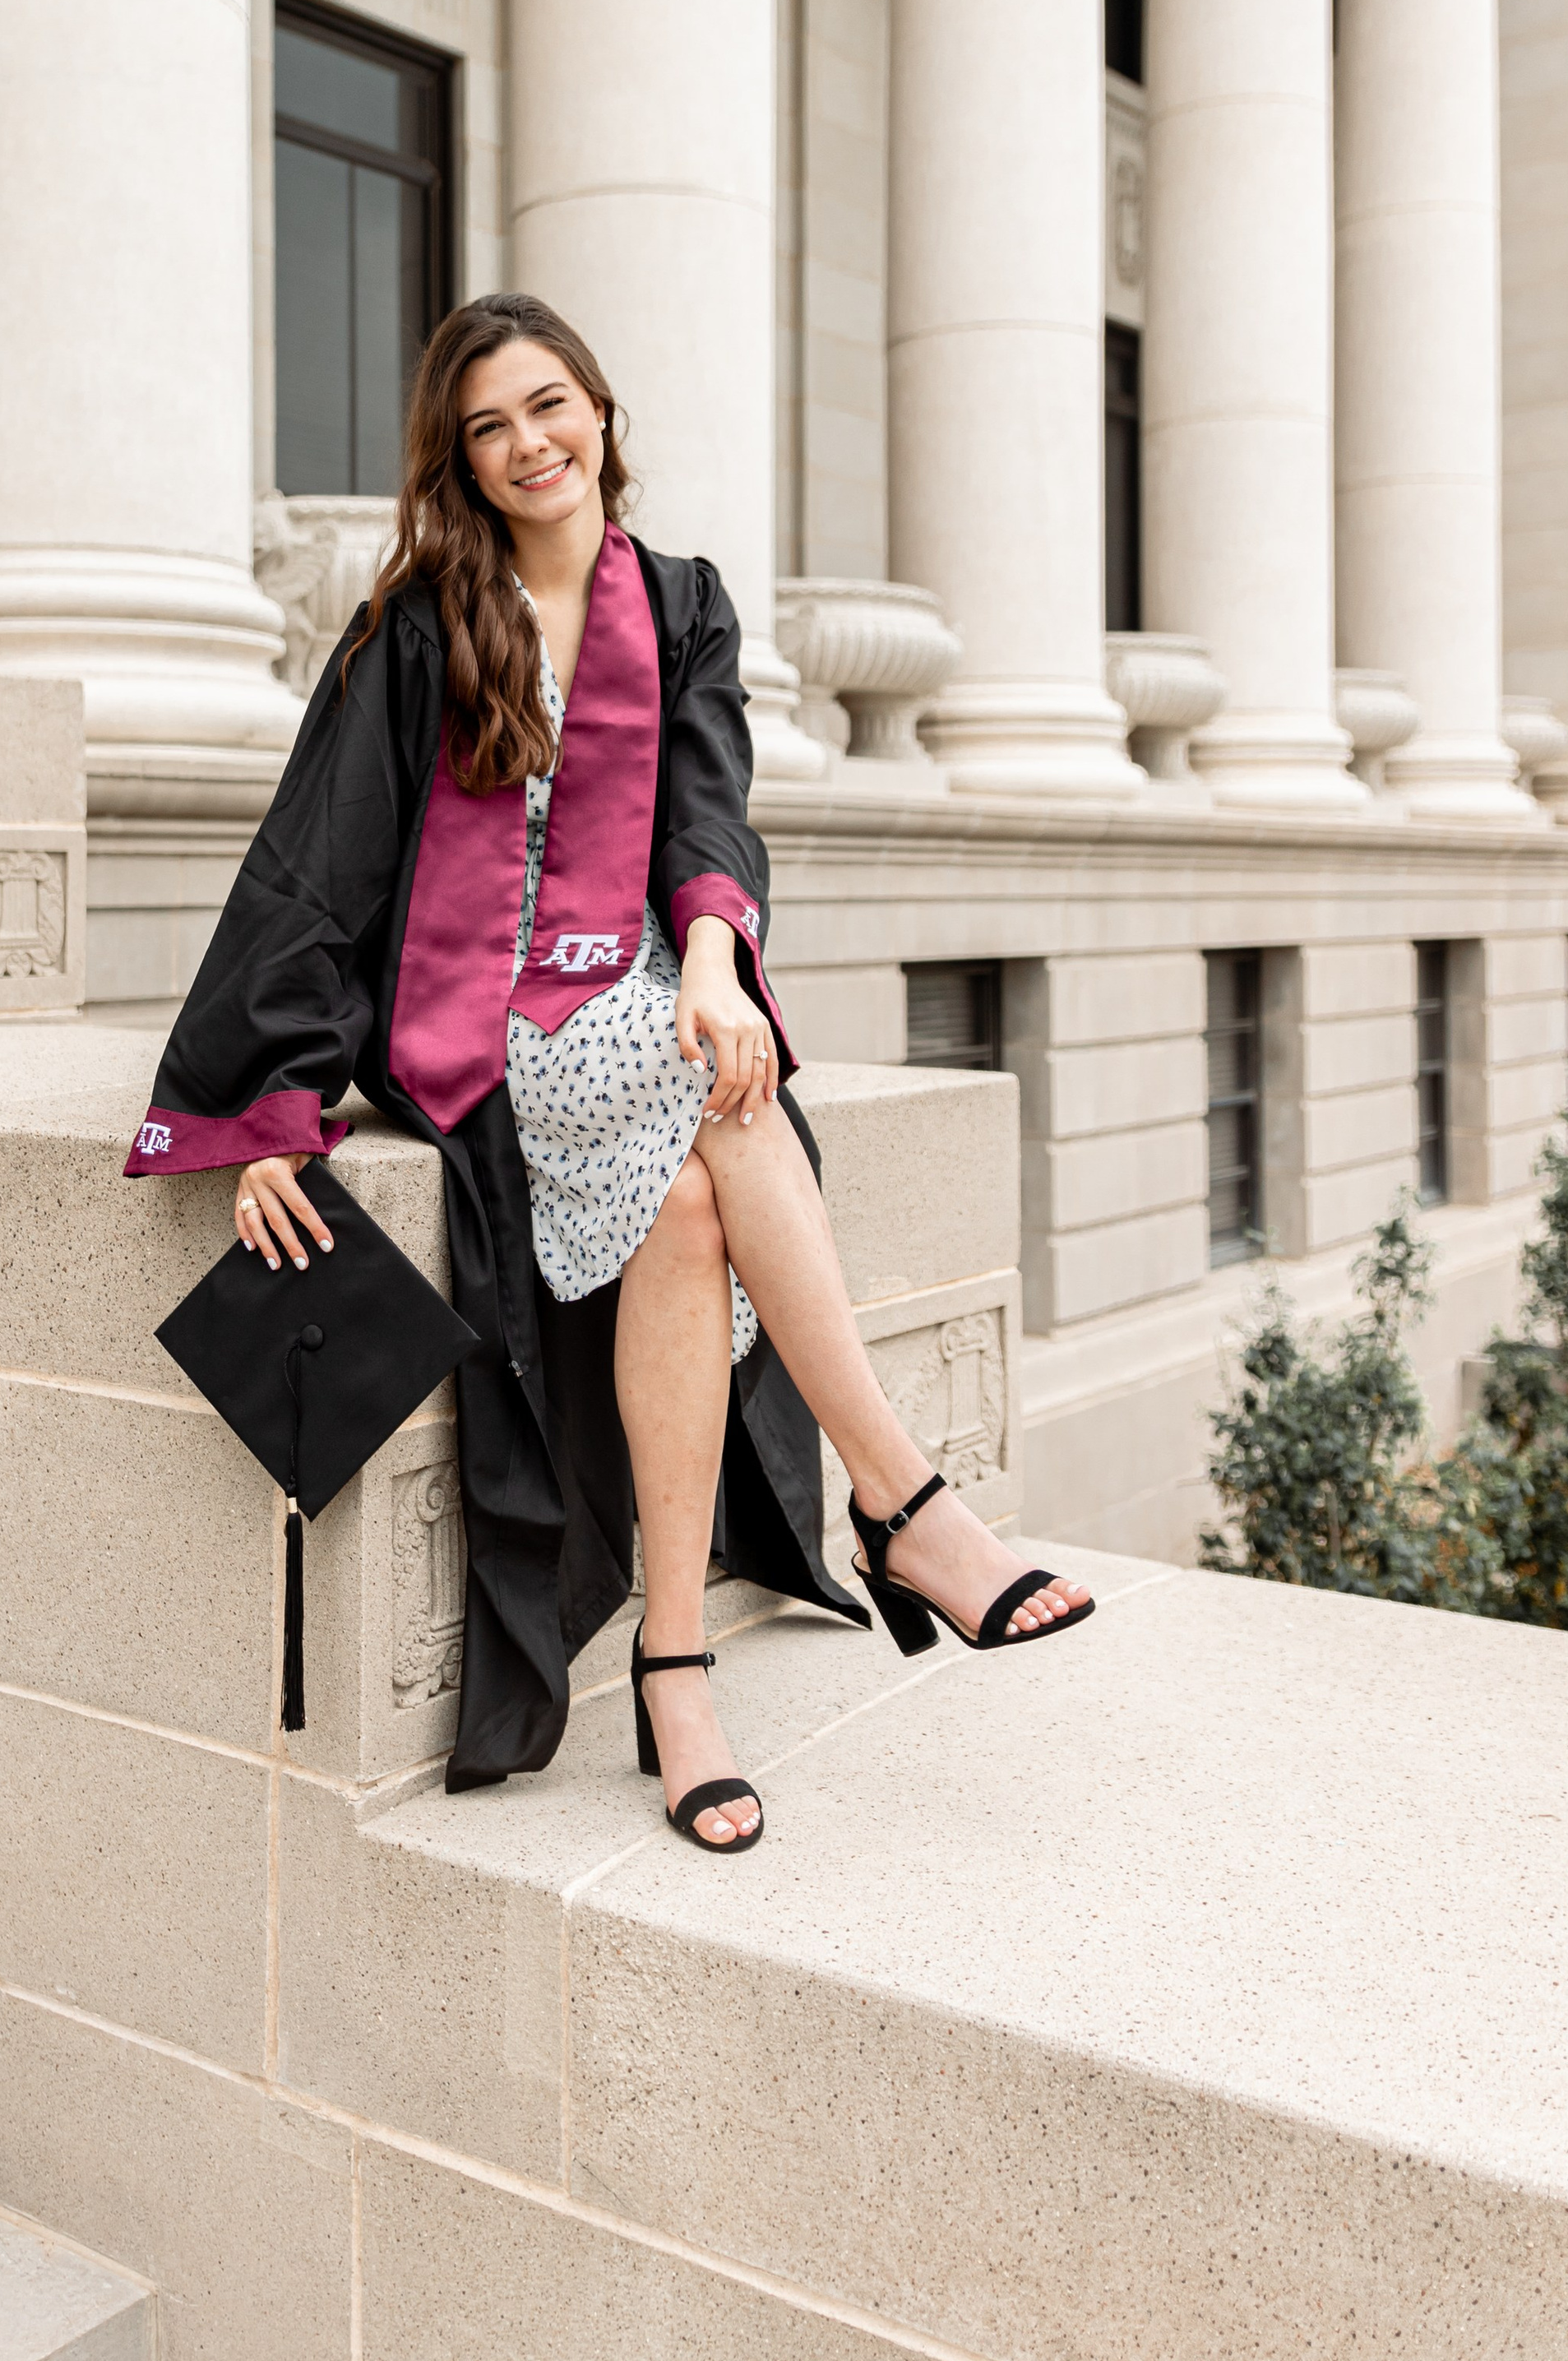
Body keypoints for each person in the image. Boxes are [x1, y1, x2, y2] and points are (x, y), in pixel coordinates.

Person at [127, 294, 1091, 1843]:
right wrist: (272, 1109)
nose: (529, 446)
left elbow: (711, 812)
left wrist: (714, 954)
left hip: (639, 991)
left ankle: (673, 1667)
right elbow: (319, 861)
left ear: (601, 411)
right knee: (713, 1086)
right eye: (490, 426)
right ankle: (906, 1499)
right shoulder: (420, 624)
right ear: (458, 458)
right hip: (472, 1016)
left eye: (550, 405)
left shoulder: (685, 603)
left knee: (699, 1187)